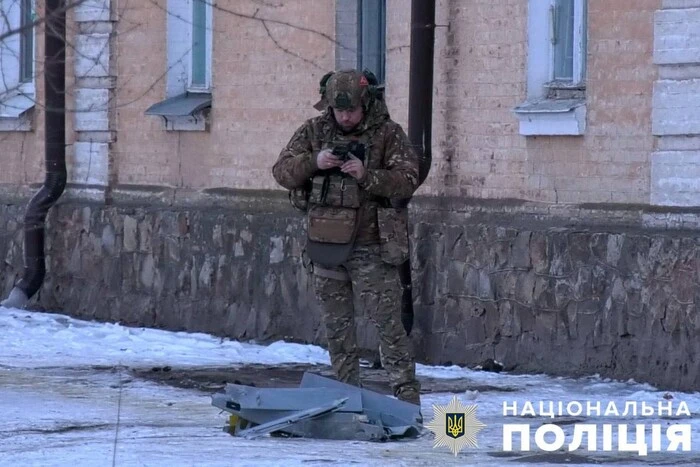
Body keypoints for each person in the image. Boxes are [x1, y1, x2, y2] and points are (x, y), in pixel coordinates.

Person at [272, 69, 421, 407]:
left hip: (372, 246)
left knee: (388, 325)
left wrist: (367, 175)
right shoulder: (314, 131)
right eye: (339, 111)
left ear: (365, 104)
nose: (346, 117)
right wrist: (314, 161)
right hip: (325, 245)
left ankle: (407, 396)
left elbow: (408, 178)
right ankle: (347, 395)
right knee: (337, 329)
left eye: (352, 110)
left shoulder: (387, 134)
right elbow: (281, 171)